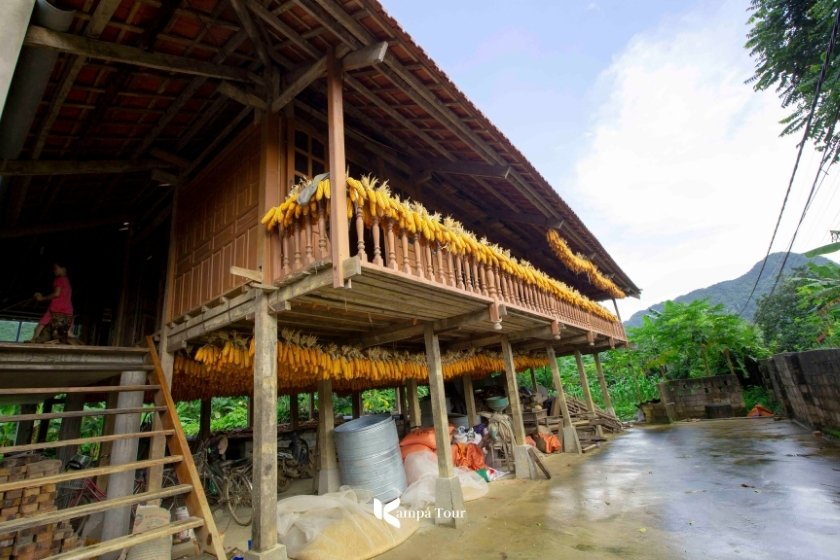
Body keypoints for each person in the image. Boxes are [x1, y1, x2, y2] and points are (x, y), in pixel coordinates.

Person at [32, 262, 74, 342]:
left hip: (56, 307)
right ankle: (69, 333)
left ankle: (34, 338)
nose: (54, 270)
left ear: (63, 268)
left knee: (41, 325)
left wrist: (42, 298)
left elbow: (56, 294)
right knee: (69, 322)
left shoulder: (58, 280)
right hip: (67, 308)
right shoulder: (67, 281)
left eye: (55, 268)